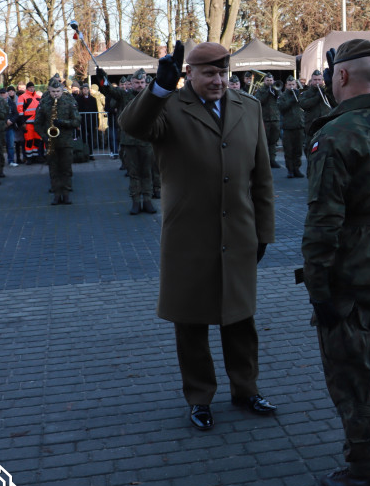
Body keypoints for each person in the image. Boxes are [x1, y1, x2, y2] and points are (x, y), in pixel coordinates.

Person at [118, 41, 277, 432]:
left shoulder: (249, 107)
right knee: (191, 324)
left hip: (239, 232)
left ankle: (246, 388)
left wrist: (264, 232)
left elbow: (262, 178)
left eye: (223, 73)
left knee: (241, 320)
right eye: (209, 73)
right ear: (190, 73)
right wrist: (159, 88)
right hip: (189, 234)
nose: (218, 80)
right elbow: (133, 127)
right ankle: (199, 397)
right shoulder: (169, 107)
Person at [300, 38, 370, 486]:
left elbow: (324, 221)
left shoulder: (336, 135)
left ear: (340, 76)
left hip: (347, 270)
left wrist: (318, 288)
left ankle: (363, 470)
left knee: (350, 374)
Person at [95, 68, 157, 214]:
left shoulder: (152, 97)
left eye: (142, 82)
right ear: (131, 83)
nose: (140, 85)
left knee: (147, 172)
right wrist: (102, 78)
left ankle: (147, 200)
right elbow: (108, 90)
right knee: (134, 173)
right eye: (137, 82)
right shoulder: (124, 95)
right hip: (129, 141)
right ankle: (136, 201)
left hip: (147, 141)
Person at [33, 76, 80, 205]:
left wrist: (62, 123)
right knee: (53, 169)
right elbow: (37, 123)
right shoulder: (44, 104)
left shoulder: (69, 102)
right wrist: (44, 136)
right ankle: (56, 194)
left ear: (61, 90)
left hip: (66, 142)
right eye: (53, 91)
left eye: (58, 91)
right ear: (49, 90)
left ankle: (66, 194)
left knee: (66, 169)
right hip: (50, 142)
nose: (55, 94)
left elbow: (77, 120)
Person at [277, 75, 305, 178]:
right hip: (288, 127)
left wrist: (298, 96)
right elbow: (281, 107)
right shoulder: (282, 96)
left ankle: (297, 169)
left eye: (293, 84)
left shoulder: (299, 94)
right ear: (286, 85)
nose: (291, 86)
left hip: (299, 125)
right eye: (289, 85)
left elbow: (305, 105)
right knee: (289, 150)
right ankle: (290, 170)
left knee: (298, 150)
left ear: (296, 85)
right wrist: (291, 100)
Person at [299, 70, 333, 152]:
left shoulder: (326, 91)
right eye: (315, 80)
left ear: (322, 80)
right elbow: (304, 104)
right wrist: (317, 97)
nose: (317, 82)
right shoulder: (306, 93)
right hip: (311, 126)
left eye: (319, 80)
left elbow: (334, 103)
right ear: (311, 81)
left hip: (325, 126)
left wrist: (328, 93)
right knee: (310, 149)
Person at [255, 73, 283, 169]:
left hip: (275, 118)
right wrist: (268, 92)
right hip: (265, 119)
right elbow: (258, 101)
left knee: (273, 141)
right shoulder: (260, 90)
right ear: (264, 81)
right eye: (267, 81)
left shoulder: (276, 89)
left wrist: (276, 91)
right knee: (264, 141)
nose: (269, 82)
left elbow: (281, 99)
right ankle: (264, 161)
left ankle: (272, 160)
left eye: (271, 81)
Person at [75, 81, 99, 159]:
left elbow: (96, 111)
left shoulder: (93, 99)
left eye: (86, 89)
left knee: (91, 138)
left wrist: (96, 123)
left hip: (91, 121)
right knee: (83, 138)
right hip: (82, 121)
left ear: (89, 90)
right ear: (82, 90)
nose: (85, 90)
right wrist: (78, 123)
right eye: (84, 89)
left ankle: (91, 154)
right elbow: (77, 111)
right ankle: (84, 154)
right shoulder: (78, 99)